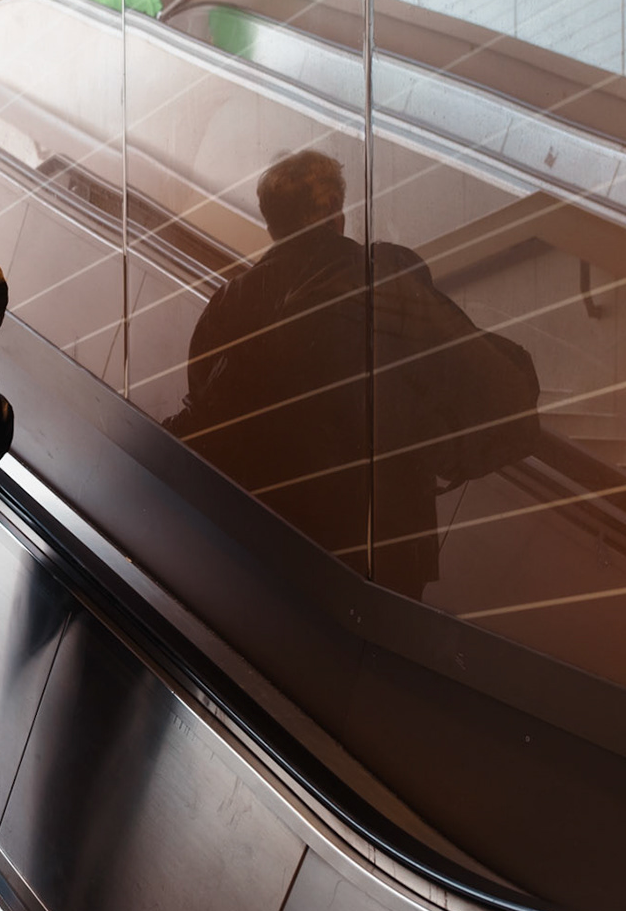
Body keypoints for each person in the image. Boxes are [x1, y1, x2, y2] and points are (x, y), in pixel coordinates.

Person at [168, 151, 447, 598]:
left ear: (272, 226)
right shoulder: (392, 280)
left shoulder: (235, 302)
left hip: (275, 540)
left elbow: (205, 402)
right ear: (338, 215)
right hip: (383, 544)